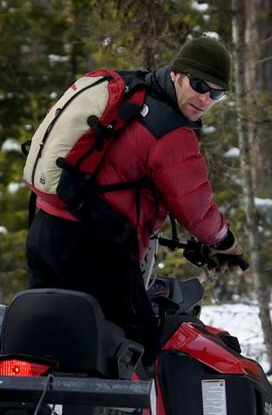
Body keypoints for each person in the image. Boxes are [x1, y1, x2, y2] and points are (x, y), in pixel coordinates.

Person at [25, 37, 245, 355]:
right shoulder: (171, 131)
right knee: (138, 346)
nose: (205, 98)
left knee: (50, 345)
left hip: (46, 231)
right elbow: (195, 208)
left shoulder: (133, 92)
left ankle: (33, 403)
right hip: (95, 250)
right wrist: (224, 242)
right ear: (177, 74)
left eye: (216, 93)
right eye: (198, 84)